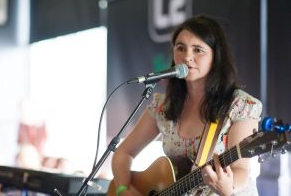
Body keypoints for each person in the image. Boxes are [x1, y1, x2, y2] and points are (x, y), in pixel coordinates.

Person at [111, 14, 262, 196]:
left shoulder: (239, 105)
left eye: (198, 49)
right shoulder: (163, 105)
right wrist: (122, 189)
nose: (187, 57)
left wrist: (228, 188)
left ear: (216, 56)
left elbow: (241, 169)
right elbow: (123, 152)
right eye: (180, 48)